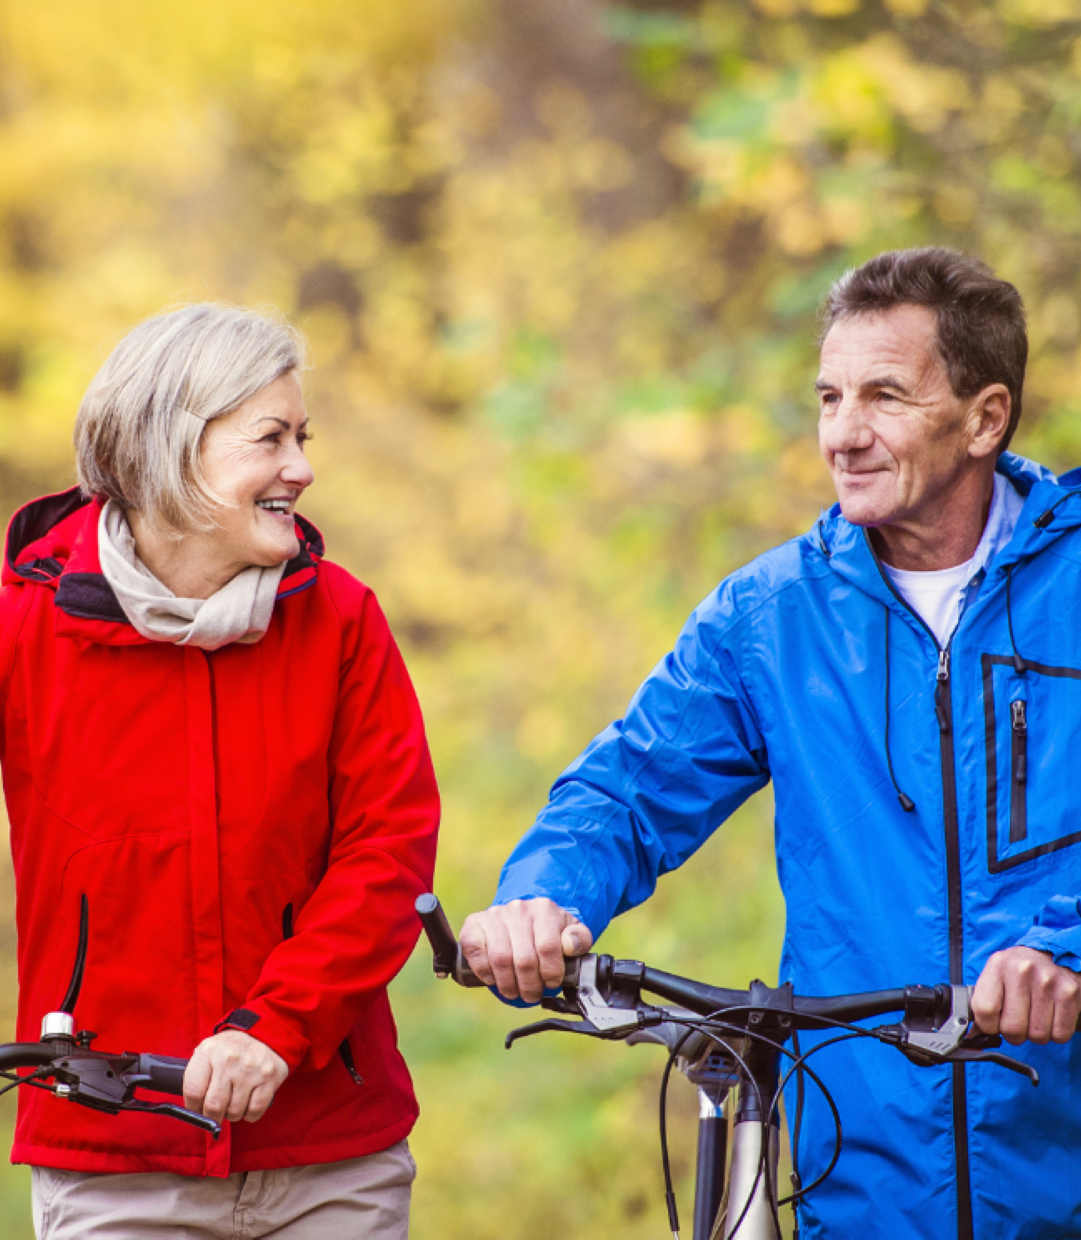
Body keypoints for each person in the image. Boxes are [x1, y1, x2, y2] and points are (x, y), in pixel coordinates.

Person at [461, 248, 1081, 1239]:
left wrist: (1065, 945)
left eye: (883, 395)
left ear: (985, 417)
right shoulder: (775, 612)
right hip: (868, 1176)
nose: (843, 432)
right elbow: (627, 786)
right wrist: (542, 894)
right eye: (829, 395)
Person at [0, 304, 440, 1239]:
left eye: (302, 437)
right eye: (270, 438)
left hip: (329, 1160)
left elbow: (389, 851)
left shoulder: (340, 620)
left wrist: (272, 1029)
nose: (302, 468)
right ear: (168, 449)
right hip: (114, 1160)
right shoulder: (23, 629)